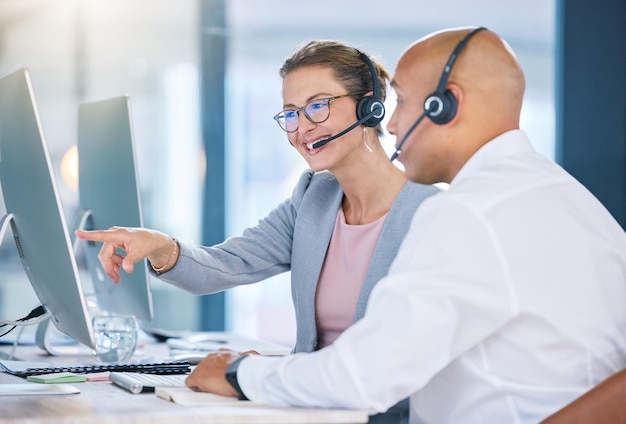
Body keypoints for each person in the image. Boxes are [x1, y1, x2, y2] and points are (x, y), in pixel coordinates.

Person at [180, 27, 626, 423]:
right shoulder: (570, 199)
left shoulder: (466, 213)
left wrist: (240, 373)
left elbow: (363, 376)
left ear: (447, 104)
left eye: (405, 104)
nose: (390, 124)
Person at [76, 40, 438, 423]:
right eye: (291, 114)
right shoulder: (313, 197)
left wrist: (257, 376)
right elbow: (226, 265)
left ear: (369, 105)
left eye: (317, 106)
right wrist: (157, 244)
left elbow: (401, 363)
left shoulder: (432, 214)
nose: (302, 128)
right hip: (306, 407)